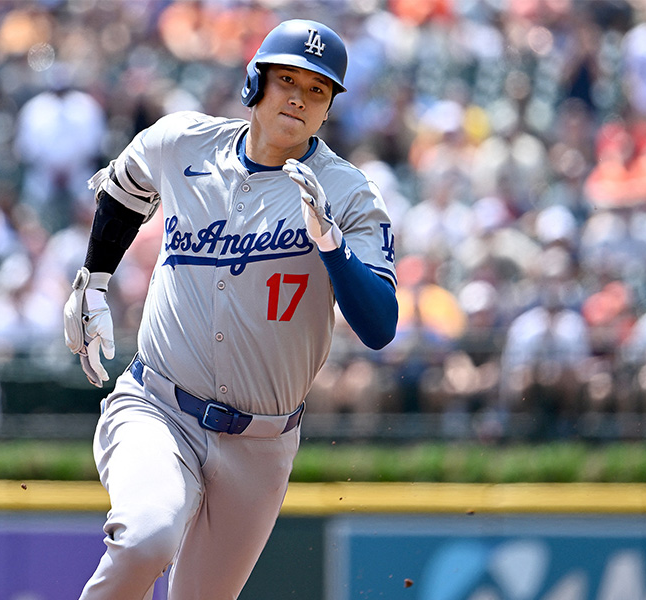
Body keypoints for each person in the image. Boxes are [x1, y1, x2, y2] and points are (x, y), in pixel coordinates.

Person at [63, 19, 399, 599]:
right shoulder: (184, 142)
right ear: (255, 83)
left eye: (316, 89)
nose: (297, 97)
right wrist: (94, 278)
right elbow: (125, 187)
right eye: (286, 79)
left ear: (327, 110)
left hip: (261, 443)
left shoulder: (346, 194)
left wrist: (333, 246)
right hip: (158, 407)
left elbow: (380, 327)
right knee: (145, 538)